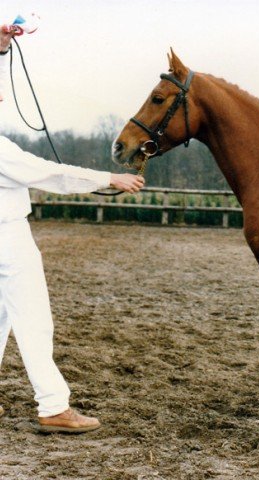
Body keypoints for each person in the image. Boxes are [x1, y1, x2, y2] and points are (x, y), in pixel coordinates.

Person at [0, 25, 144, 432]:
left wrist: (1, 49)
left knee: (3, 315)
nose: (2, 96)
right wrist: (108, 179)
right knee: (33, 318)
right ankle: (52, 406)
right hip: (6, 234)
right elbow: (49, 173)